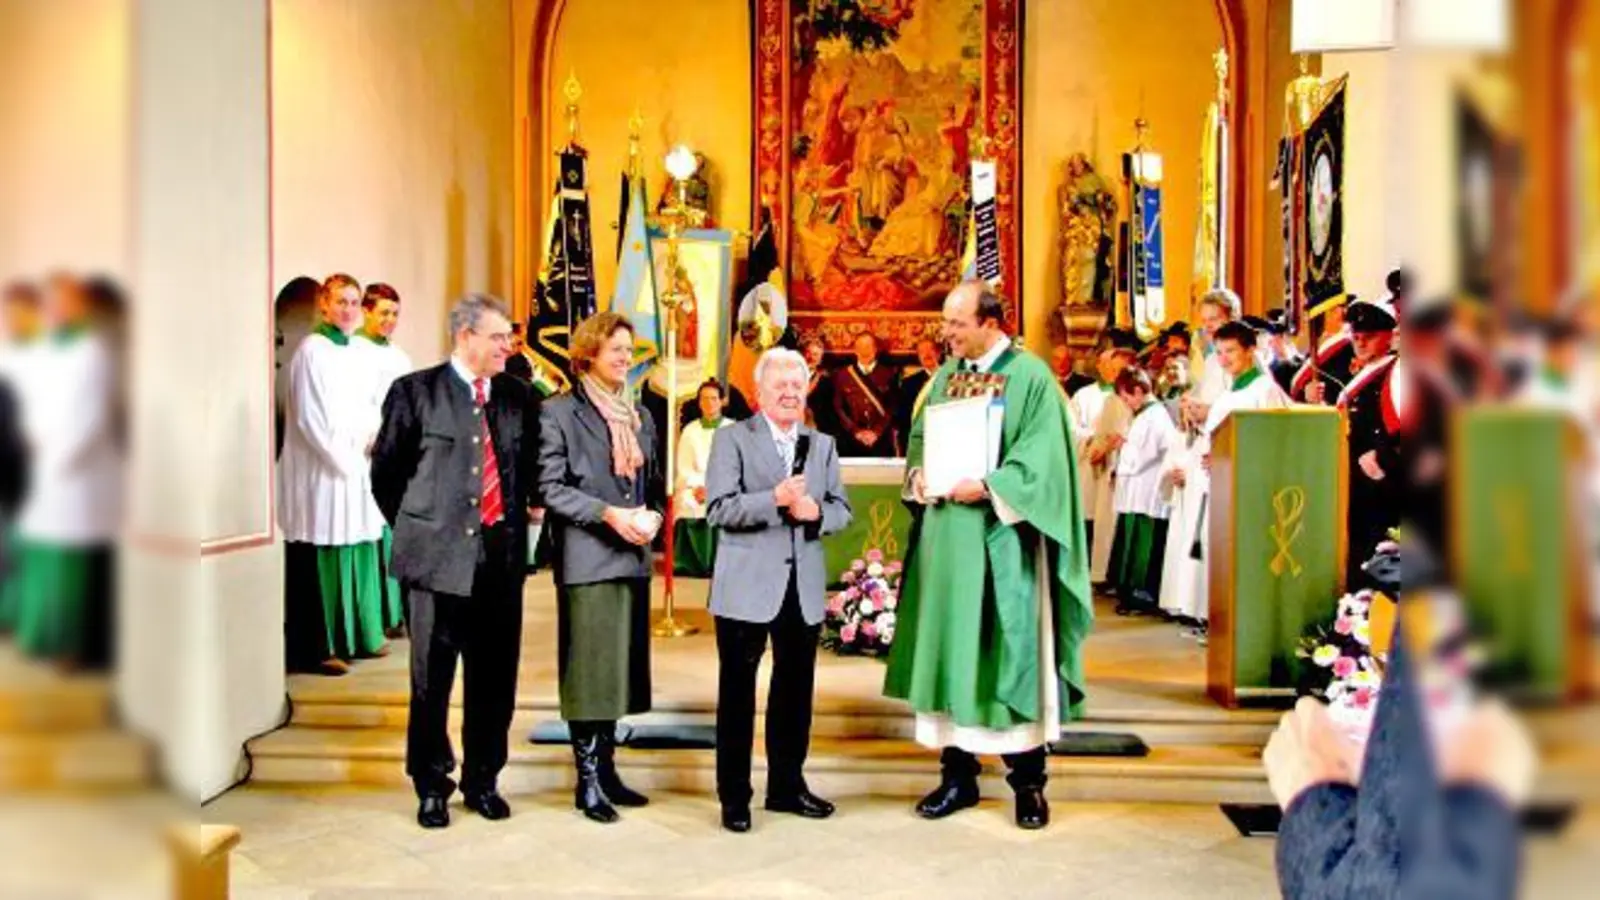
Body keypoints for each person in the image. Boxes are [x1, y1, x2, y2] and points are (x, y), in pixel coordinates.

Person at [884, 280, 1094, 831]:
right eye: (946, 322)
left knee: (1008, 648)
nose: (945, 333)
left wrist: (992, 484)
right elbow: (922, 441)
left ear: (991, 323)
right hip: (948, 541)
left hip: (1003, 539)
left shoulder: (1030, 378)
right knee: (952, 648)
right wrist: (920, 474)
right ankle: (957, 777)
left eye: (956, 323)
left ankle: (1029, 783)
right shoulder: (946, 378)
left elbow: (1044, 457)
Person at [370, 293, 541, 829]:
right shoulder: (414, 393)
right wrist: (425, 529)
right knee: (432, 679)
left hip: (499, 562)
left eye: (508, 337)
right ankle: (431, 783)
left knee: (494, 679)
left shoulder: (518, 396)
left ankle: (483, 778)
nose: (507, 345)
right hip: (436, 562)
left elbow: (530, 473)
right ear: (464, 336)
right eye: (497, 337)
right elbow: (387, 476)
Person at [705, 347, 853, 833]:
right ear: (759, 392)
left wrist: (817, 514)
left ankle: (787, 786)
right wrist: (775, 499)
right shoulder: (731, 440)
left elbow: (841, 509)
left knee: (795, 693)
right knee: (738, 693)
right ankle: (735, 797)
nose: (790, 394)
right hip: (746, 585)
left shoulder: (823, 444)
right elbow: (720, 509)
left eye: (797, 385)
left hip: (802, 587)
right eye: (779, 386)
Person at [537, 311, 661, 825]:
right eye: (616, 350)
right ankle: (585, 779)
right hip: (589, 557)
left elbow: (649, 483)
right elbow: (550, 487)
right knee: (589, 671)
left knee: (617, 671)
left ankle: (607, 770)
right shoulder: (560, 412)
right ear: (589, 351)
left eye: (629, 351)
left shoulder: (640, 416)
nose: (625, 359)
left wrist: (650, 514)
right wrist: (608, 514)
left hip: (631, 556)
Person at [3, 274, 121, 670]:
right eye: (50, 301)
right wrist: (33, 443)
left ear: (78, 305)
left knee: (70, 565)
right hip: (40, 466)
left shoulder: (91, 351)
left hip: (74, 473)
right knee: (38, 555)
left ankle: (71, 645)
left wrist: (57, 458)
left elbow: (90, 416)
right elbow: (32, 403)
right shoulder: (46, 350)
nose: (54, 308)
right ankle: (40, 636)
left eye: (63, 301)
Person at [281, 274, 389, 676]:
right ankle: (321, 646)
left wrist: (371, 441)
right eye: (340, 302)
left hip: (357, 464)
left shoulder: (357, 352)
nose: (347, 310)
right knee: (324, 549)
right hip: (323, 471)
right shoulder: (313, 351)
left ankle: (359, 635)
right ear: (324, 306)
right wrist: (345, 460)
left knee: (357, 543)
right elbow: (311, 419)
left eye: (354, 302)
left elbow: (370, 405)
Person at [1161, 319, 1291, 643]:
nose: (1224, 359)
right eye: (1219, 352)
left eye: (1231, 350)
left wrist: (1227, 456)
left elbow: (1272, 440)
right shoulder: (1231, 391)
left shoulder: (1263, 389)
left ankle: (1238, 628)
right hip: (1217, 485)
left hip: (1245, 489)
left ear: (1251, 350)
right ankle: (1218, 622)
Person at [355, 282, 413, 637]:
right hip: (367, 450)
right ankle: (376, 617)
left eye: (394, 314)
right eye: (383, 313)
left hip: (398, 453)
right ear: (366, 311)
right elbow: (358, 401)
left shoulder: (399, 356)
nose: (389, 320)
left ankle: (397, 614)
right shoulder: (355, 352)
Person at [1336, 296, 1400, 587]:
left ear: (1389, 336)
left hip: (1376, 479)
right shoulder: (1359, 375)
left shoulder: (1396, 372)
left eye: (1369, 337)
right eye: (1356, 336)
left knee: (1373, 546)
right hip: (1349, 475)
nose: (1360, 343)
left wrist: (1381, 456)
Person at [1106, 367, 1177, 616]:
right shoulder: (1143, 415)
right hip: (1135, 491)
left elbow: (1148, 453)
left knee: (1144, 545)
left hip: (1148, 491)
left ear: (1138, 391)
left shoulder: (1156, 416)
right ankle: (1129, 592)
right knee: (1132, 541)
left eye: (1127, 398)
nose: (1126, 404)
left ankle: (1142, 596)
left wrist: (1125, 446)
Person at [1071, 347, 1134, 585]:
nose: (1112, 371)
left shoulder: (1128, 396)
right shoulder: (1084, 395)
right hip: (1090, 462)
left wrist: (1109, 444)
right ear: (1100, 366)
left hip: (1117, 464)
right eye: (1108, 365)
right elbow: (1072, 428)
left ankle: (1110, 572)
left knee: (1111, 520)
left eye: (1117, 368)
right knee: (1092, 519)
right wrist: (1090, 440)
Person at [673, 379, 733, 576]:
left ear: (722, 401)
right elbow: (684, 467)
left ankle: (723, 562)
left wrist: (714, 488)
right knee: (686, 502)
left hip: (725, 486)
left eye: (714, 399)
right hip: (695, 487)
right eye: (704, 399)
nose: (709, 403)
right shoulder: (690, 431)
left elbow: (736, 467)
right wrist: (698, 487)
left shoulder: (733, 430)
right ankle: (691, 562)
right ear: (699, 402)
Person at [831, 332, 898, 457]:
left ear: (875, 349)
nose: (864, 351)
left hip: (881, 442)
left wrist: (877, 432)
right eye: (860, 347)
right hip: (851, 442)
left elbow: (893, 406)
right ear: (855, 350)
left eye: (868, 346)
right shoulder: (842, 375)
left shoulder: (889, 374)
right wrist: (856, 432)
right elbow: (838, 407)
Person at [894, 338, 942, 455]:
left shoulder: (949, 377)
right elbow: (903, 417)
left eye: (930, 350)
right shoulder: (909, 383)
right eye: (922, 352)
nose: (926, 355)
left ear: (938, 353)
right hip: (918, 438)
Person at [801, 337, 836, 434]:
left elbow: (829, 410)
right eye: (808, 353)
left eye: (815, 355)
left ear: (820, 359)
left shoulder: (826, 380)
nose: (811, 357)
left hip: (817, 429)